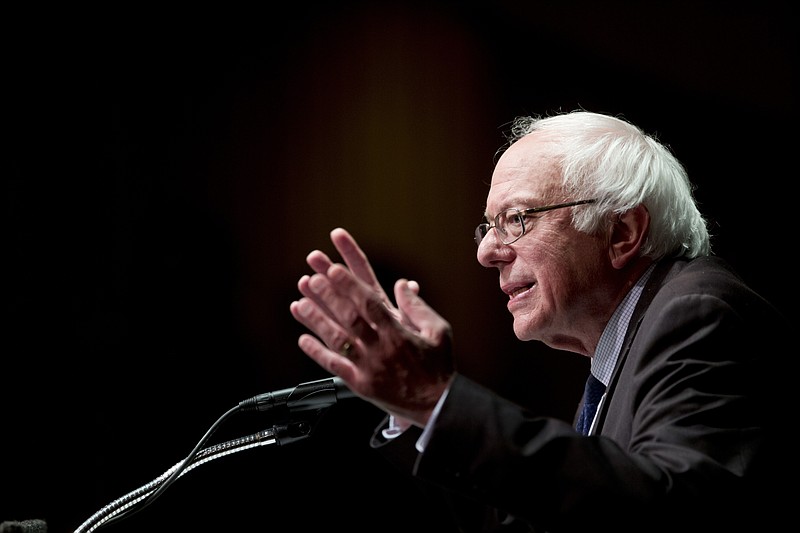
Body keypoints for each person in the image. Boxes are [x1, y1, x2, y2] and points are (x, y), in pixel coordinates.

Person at [288, 110, 790, 532]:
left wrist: (437, 399)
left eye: (518, 219)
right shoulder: (630, 341)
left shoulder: (696, 314)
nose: (487, 252)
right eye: (488, 226)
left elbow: (666, 519)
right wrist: (418, 410)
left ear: (622, 232)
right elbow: (544, 524)